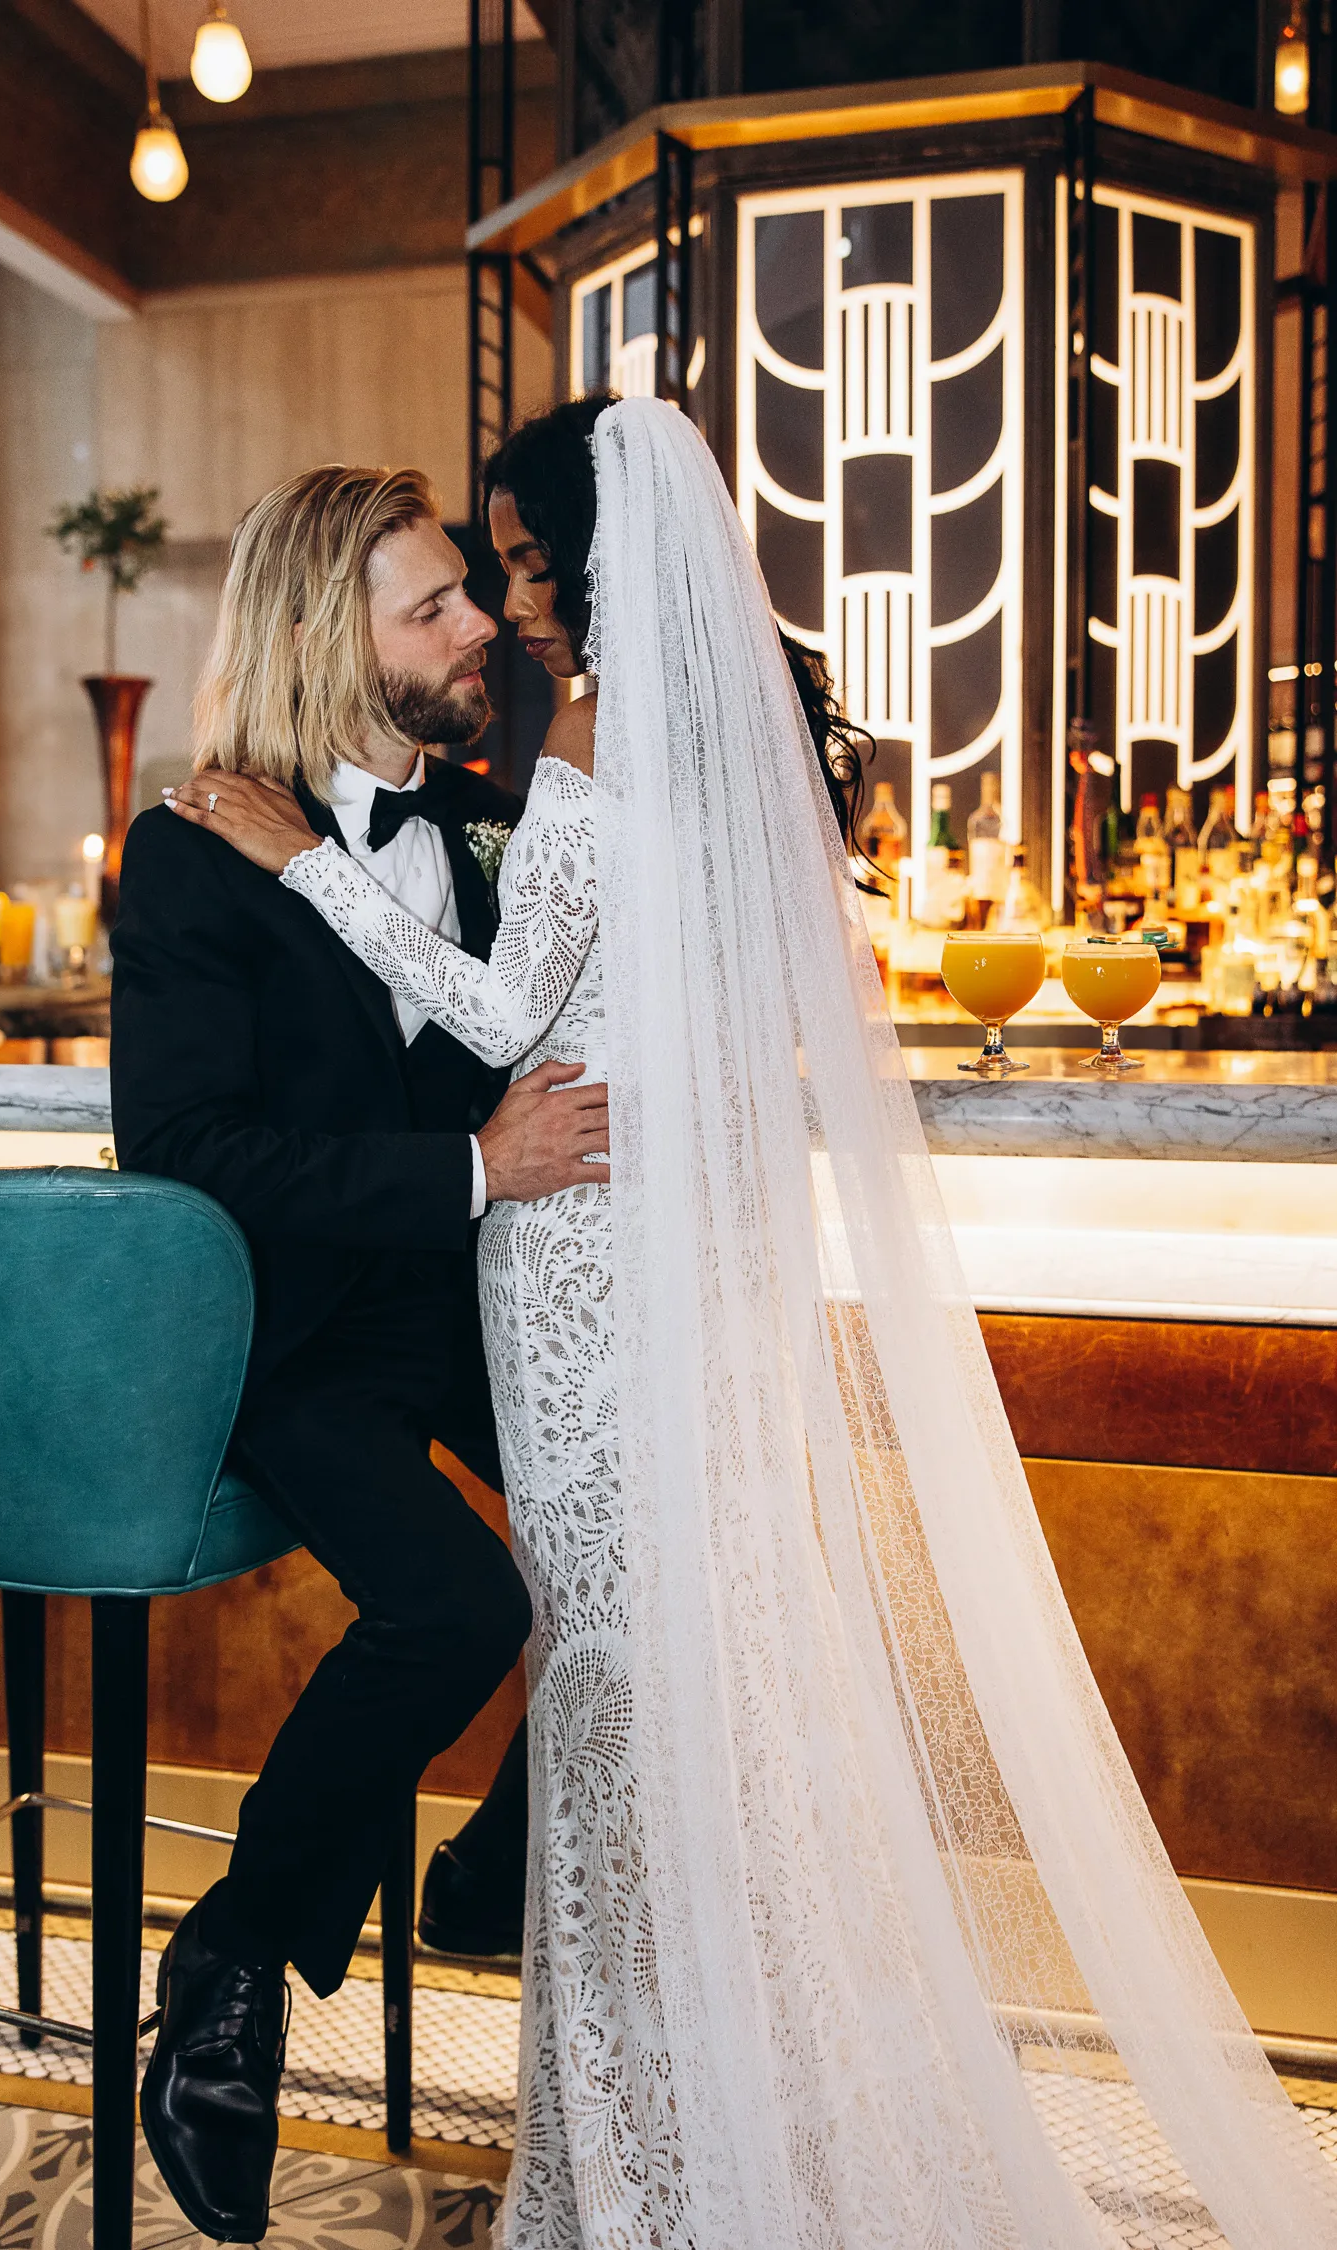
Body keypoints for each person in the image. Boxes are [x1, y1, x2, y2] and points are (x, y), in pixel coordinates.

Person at [167, 400, 1337, 2250]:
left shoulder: (560, 762)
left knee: (619, 1641)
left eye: (513, 572)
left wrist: (317, 874)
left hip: (561, 1266)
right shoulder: (670, 750)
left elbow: (502, 1013)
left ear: (589, 565)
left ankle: (635, 2121)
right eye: (459, 591)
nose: (499, 615)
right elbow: (235, 1133)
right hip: (526, 1287)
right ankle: (550, 2036)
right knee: (629, 1630)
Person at [110, 462, 610, 2245]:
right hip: (299, 1334)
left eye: (474, 589)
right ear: (336, 635)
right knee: (462, 1606)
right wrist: (472, 1166)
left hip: (470, 1305)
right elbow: (186, 1153)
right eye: (436, 605)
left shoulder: (495, 819)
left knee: (655, 1533)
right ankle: (231, 1965)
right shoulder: (188, 853)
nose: (483, 625)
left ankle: (482, 1871)